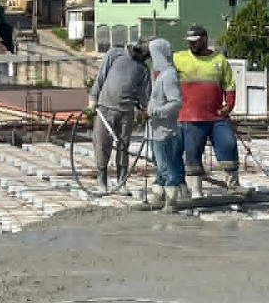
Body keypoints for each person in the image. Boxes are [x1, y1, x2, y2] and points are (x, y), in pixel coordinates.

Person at [173, 24, 242, 198]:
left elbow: (229, 86)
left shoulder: (219, 60)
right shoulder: (179, 58)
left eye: (195, 41)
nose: (191, 44)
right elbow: (162, 75)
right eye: (189, 42)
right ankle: (196, 191)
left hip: (216, 116)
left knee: (228, 144)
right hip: (191, 117)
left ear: (204, 39)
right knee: (193, 153)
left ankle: (233, 186)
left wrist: (228, 106)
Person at [86, 41, 151, 194]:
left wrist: (146, 110)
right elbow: (101, 76)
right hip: (105, 108)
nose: (143, 58)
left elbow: (144, 94)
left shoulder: (142, 69)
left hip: (126, 112)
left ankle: (121, 181)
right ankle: (102, 180)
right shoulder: (115, 54)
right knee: (102, 144)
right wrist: (93, 97)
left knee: (123, 146)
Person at [145, 38, 184, 211]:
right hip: (156, 130)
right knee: (159, 165)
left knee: (166, 165)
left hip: (165, 131)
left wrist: (155, 112)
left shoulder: (169, 76)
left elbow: (176, 102)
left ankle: (171, 198)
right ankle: (160, 194)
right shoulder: (161, 75)